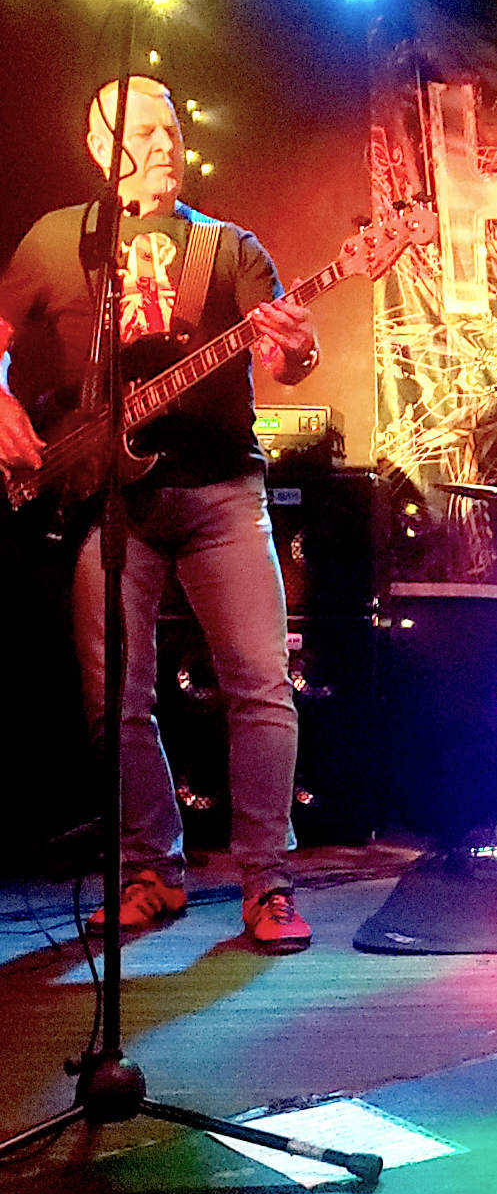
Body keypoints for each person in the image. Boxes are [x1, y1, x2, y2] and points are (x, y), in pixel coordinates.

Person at [0, 76, 322, 952]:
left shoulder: (229, 247)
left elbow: (284, 358)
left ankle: (268, 879)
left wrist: (296, 350)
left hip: (221, 489)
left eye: (172, 129)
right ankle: (152, 869)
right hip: (107, 499)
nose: (165, 144)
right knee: (113, 696)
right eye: (143, 132)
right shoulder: (58, 239)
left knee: (261, 683)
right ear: (100, 149)